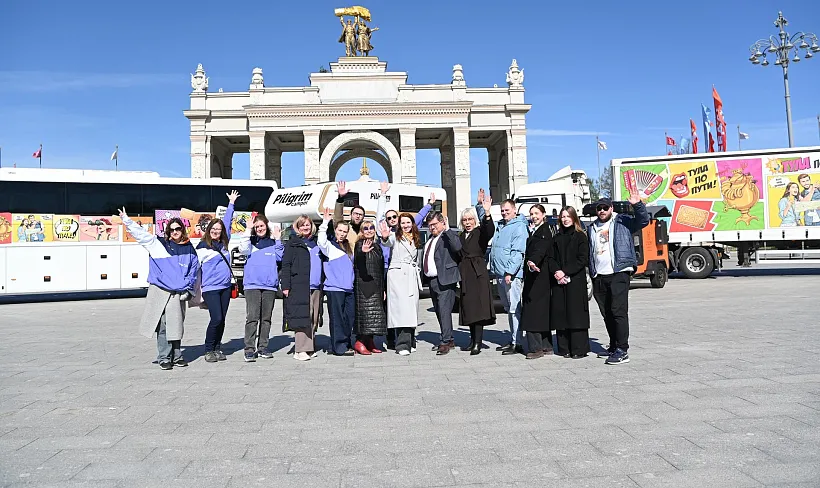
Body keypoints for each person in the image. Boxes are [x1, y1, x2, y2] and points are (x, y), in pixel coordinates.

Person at [119, 207, 199, 370]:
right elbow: (140, 234)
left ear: (182, 230)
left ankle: (177, 356)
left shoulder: (189, 248)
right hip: (162, 290)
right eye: (172, 229)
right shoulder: (158, 244)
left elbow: (194, 269)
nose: (175, 232)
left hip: (178, 292)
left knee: (176, 324)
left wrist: (188, 287)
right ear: (167, 231)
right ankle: (164, 357)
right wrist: (126, 220)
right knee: (163, 325)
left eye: (178, 229)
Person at [588, 192, 649, 365]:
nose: (602, 211)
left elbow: (643, 221)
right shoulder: (592, 227)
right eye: (599, 208)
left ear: (611, 208)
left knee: (618, 310)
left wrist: (637, 205)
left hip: (619, 271)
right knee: (606, 312)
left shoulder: (623, 221)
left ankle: (622, 350)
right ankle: (614, 345)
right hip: (599, 274)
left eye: (605, 207)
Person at [196, 190, 238, 363]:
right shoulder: (202, 247)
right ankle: (208, 349)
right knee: (216, 318)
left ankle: (217, 348)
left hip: (225, 287)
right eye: (213, 229)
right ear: (209, 230)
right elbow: (194, 268)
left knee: (222, 319)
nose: (216, 231)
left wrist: (231, 204)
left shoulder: (224, 244)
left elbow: (226, 223)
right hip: (211, 288)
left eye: (218, 230)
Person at [237, 214, 284, 361]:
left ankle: (263, 347)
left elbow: (280, 257)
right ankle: (249, 349)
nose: (259, 229)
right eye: (256, 227)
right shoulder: (250, 242)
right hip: (252, 285)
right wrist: (247, 230)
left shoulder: (272, 242)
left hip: (269, 286)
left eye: (261, 226)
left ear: (266, 226)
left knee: (266, 319)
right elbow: (243, 249)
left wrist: (278, 239)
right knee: (252, 318)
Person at [549, 206, 591, 359]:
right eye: (563, 216)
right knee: (561, 314)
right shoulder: (556, 237)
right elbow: (550, 258)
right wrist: (557, 271)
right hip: (559, 281)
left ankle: (579, 349)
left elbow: (582, 259)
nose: (565, 219)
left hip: (575, 281)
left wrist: (565, 271)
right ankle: (564, 348)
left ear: (574, 218)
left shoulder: (580, 236)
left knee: (576, 314)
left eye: (568, 216)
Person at [488, 199, 529, 354]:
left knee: (514, 308)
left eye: (507, 210)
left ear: (514, 210)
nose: (504, 213)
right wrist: (482, 208)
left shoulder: (519, 226)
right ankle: (513, 338)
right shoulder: (501, 225)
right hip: (500, 273)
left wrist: (510, 272)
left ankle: (517, 342)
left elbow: (518, 252)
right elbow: (486, 225)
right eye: (502, 210)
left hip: (511, 275)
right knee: (508, 308)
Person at [458, 189, 496, 356]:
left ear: (475, 220)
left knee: (478, 309)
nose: (467, 222)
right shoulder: (461, 236)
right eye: (465, 220)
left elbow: (489, 230)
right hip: (466, 274)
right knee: (469, 307)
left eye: (470, 219)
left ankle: (478, 343)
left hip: (478, 273)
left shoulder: (480, 232)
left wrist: (486, 212)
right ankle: (472, 340)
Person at [422, 212, 462, 355]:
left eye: (434, 224)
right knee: (439, 311)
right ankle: (448, 338)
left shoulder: (447, 236)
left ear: (442, 223)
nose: (432, 227)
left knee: (444, 311)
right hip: (432, 280)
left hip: (445, 279)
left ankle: (445, 342)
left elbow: (457, 247)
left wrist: (448, 230)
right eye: (430, 225)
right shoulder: (430, 239)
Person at [381, 214, 422, 355]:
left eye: (408, 222)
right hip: (398, 276)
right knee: (401, 311)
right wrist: (384, 237)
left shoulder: (415, 238)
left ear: (412, 223)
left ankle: (410, 341)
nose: (405, 225)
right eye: (402, 223)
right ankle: (402, 345)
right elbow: (387, 242)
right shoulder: (395, 236)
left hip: (411, 275)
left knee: (411, 310)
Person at [317, 208, 356, 356]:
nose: (342, 233)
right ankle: (339, 347)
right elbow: (321, 241)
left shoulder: (348, 247)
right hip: (335, 288)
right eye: (340, 230)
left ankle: (345, 343)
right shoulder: (330, 246)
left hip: (348, 288)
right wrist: (324, 223)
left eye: (345, 231)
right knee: (337, 319)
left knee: (349, 318)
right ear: (335, 230)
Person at [281, 215, 318, 361]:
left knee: (314, 317)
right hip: (300, 285)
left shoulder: (316, 242)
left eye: (307, 224)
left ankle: (309, 347)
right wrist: (285, 285)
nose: (305, 227)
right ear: (297, 227)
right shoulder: (293, 243)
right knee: (302, 316)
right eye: (302, 225)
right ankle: (300, 350)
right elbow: (286, 265)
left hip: (316, 285)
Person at [520, 204, 554, 359]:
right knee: (541, 311)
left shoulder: (544, 231)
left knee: (532, 311)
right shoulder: (537, 230)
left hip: (538, 275)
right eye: (531, 214)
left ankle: (536, 348)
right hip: (538, 276)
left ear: (543, 214)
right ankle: (546, 346)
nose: (533, 216)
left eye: (536, 213)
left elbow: (540, 249)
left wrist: (533, 261)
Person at [352, 220, 386, 354]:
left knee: (374, 316)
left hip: (377, 284)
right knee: (365, 315)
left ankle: (370, 341)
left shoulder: (377, 246)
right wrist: (362, 252)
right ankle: (359, 342)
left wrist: (383, 289)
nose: (369, 230)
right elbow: (358, 260)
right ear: (361, 231)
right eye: (365, 228)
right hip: (364, 285)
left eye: (371, 227)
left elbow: (380, 269)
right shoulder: (360, 244)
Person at [334, 181, 366, 246]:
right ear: (350, 215)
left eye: (360, 215)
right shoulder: (345, 228)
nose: (358, 216)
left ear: (363, 217)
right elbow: (338, 216)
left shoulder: (366, 230)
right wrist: (340, 198)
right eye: (355, 213)